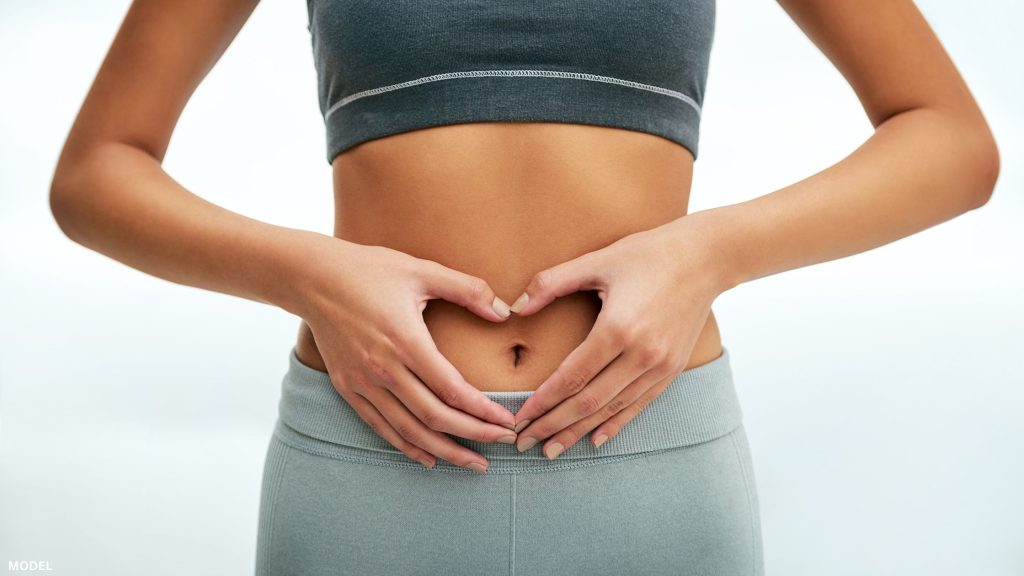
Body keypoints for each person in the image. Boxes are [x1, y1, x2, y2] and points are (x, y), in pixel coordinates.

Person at [48, 0, 999, 574]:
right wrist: (312, 276)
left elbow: (951, 140)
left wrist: (708, 254)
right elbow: (97, 170)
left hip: (649, 464)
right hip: (370, 463)